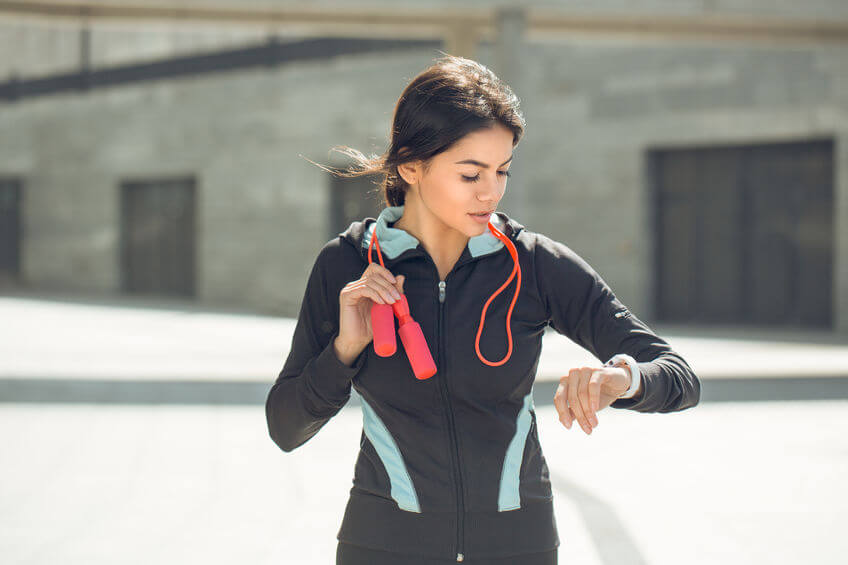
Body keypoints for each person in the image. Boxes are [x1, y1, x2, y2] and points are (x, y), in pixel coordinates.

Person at [265, 55, 700, 564]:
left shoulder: (534, 265)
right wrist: (343, 351)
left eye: (501, 172)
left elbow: (679, 377)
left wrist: (622, 379)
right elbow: (285, 426)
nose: (490, 192)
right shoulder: (348, 265)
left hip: (517, 545)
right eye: (471, 174)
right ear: (411, 166)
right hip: (382, 544)